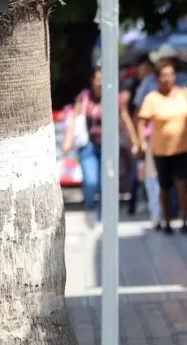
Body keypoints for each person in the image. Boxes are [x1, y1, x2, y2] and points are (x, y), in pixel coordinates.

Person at [62, 67, 140, 229]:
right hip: (89, 146)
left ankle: (104, 218)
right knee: (91, 181)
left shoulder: (114, 98)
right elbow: (74, 121)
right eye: (97, 79)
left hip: (109, 147)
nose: (100, 83)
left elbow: (125, 120)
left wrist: (135, 142)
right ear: (92, 80)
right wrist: (67, 142)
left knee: (108, 183)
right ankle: (90, 206)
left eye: (102, 79)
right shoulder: (84, 97)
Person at [138, 59, 187, 235]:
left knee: (184, 185)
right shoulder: (152, 98)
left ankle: (184, 220)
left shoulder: (184, 93)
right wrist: (141, 143)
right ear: (157, 78)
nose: (168, 79)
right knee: (165, 187)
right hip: (161, 150)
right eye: (164, 76)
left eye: (171, 75)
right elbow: (142, 121)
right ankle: (166, 220)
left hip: (184, 147)